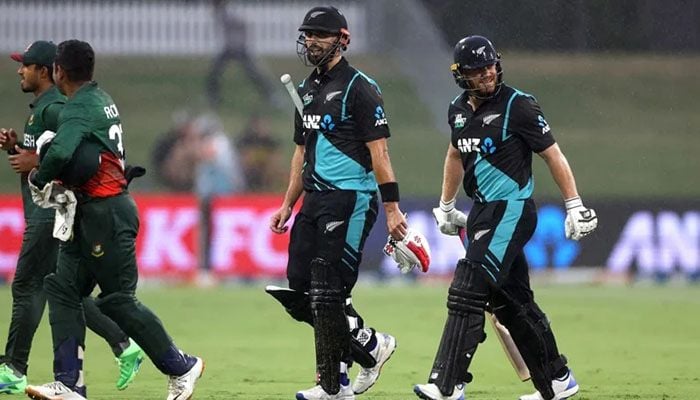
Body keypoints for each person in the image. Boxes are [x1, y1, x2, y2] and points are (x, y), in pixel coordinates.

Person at [413, 35, 598, 400]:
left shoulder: (519, 105)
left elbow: (553, 155)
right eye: (478, 70)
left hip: (512, 209)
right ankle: (556, 379)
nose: (487, 75)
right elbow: (455, 154)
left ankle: (447, 384)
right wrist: (447, 205)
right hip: (482, 212)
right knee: (511, 302)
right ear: (461, 75)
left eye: (491, 67)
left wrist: (574, 204)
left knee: (468, 285)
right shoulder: (458, 109)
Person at [22, 39, 203, 400]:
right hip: (87, 212)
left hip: (106, 215)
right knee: (62, 288)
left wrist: (40, 177)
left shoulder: (80, 108)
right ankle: (69, 384)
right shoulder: (99, 98)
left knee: (118, 299)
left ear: (58, 71)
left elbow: (61, 152)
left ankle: (182, 366)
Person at [268, 6, 408, 400]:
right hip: (314, 200)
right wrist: (287, 204)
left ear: (342, 39)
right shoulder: (305, 89)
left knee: (329, 293)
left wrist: (392, 208)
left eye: (319, 34)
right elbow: (302, 153)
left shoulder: (360, 88)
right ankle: (371, 346)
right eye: (307, 34)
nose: (311, 41)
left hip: (350, 199)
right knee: (301, 293)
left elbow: (380, 153)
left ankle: (333, 385)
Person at [0, 40, 144, 395]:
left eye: (26, 65)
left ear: (47, 71)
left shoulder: (56, 107)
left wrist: (36, 161)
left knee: (28, 286)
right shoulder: (44, 107)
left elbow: (73, 152)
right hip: (47, 210)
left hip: (49, 212)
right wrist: (17, 149)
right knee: (63, 290)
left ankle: (15, 368)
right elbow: (46, 151)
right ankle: (123, 344)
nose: (20, 70)